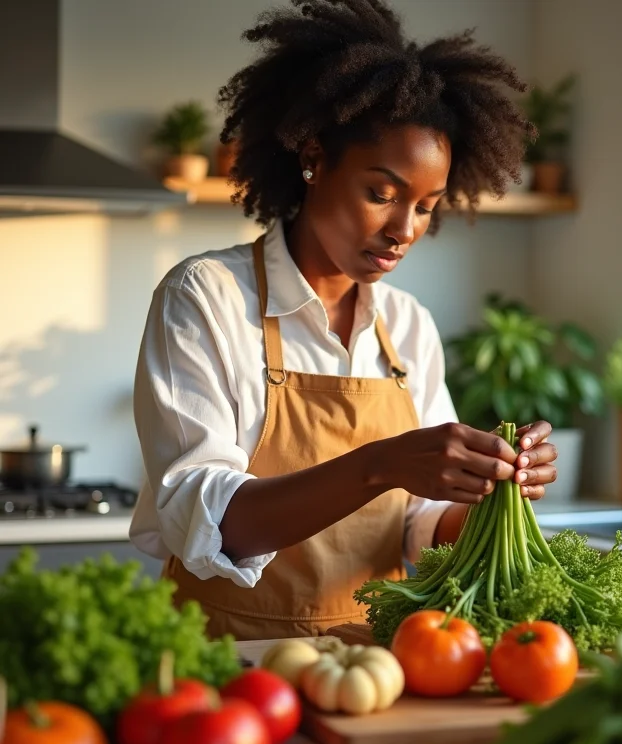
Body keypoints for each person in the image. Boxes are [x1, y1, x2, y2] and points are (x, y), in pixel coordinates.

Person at [130, 0, 558, 641]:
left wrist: (492, 495)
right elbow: (206, 519)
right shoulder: (207, 297)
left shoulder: (408, 326)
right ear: (313, 158)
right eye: (381, 194)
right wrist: (378, 463)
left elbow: (417, 525)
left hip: (376, 660)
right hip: (226, 664)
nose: (403, 230)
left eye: (424, 206)